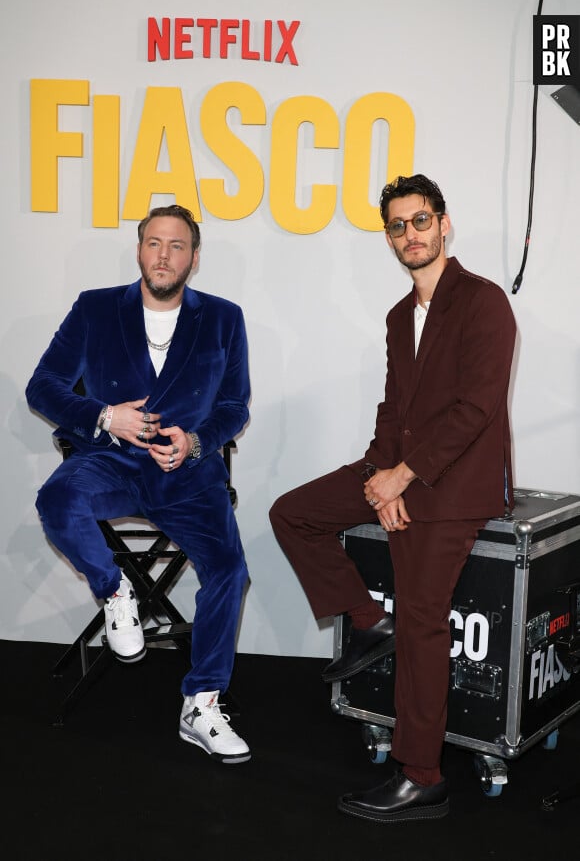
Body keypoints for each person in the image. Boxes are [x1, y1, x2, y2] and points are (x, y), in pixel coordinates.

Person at [270, 174, 516, 821]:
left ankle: (422, 776)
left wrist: (401, 476)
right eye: (398, 226)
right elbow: (393, 408)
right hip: (400, 470)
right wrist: (379, 477)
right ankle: (363, 620)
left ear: (444, 223)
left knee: (423, 623)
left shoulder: (484, 302)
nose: (411, 234)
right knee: (292, 513)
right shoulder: (397, 314)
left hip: (456, 487)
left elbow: (475, 409)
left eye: (421, 220)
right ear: (389, 237)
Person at [26, 204, 252, 765]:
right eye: (154, 243)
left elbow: (233, 406)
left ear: (194, 258)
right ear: (138, 250)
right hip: (113, 461)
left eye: (177, 246)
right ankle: (114, 591)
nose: (164, 255)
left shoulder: (224, 318)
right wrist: (105, 416)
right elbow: (43, 388)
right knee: (56, 498)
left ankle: (201, 702)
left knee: (229, 570)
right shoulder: (96, 308)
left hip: (188, 475)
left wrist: (196, 441)